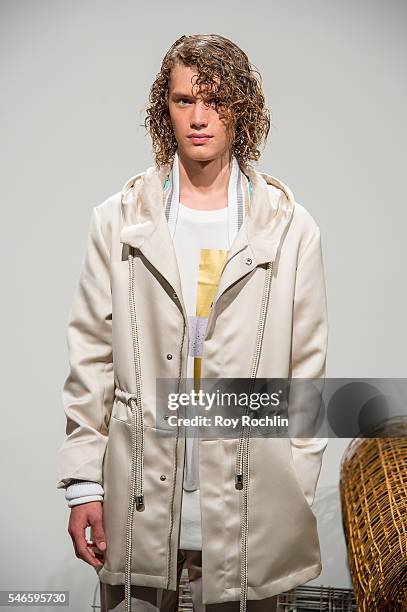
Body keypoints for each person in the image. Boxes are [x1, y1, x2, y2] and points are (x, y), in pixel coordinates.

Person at [57, 34, 328, 612]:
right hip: (141, 510)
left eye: (216, 100)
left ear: (241, 108)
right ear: (165, 109)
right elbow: (91, 357)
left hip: (253, 515)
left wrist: (295, 489)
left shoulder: (289, 228)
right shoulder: (118, 221)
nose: (199, 118)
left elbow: (305, 374)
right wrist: (84, 484)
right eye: (184, 100)